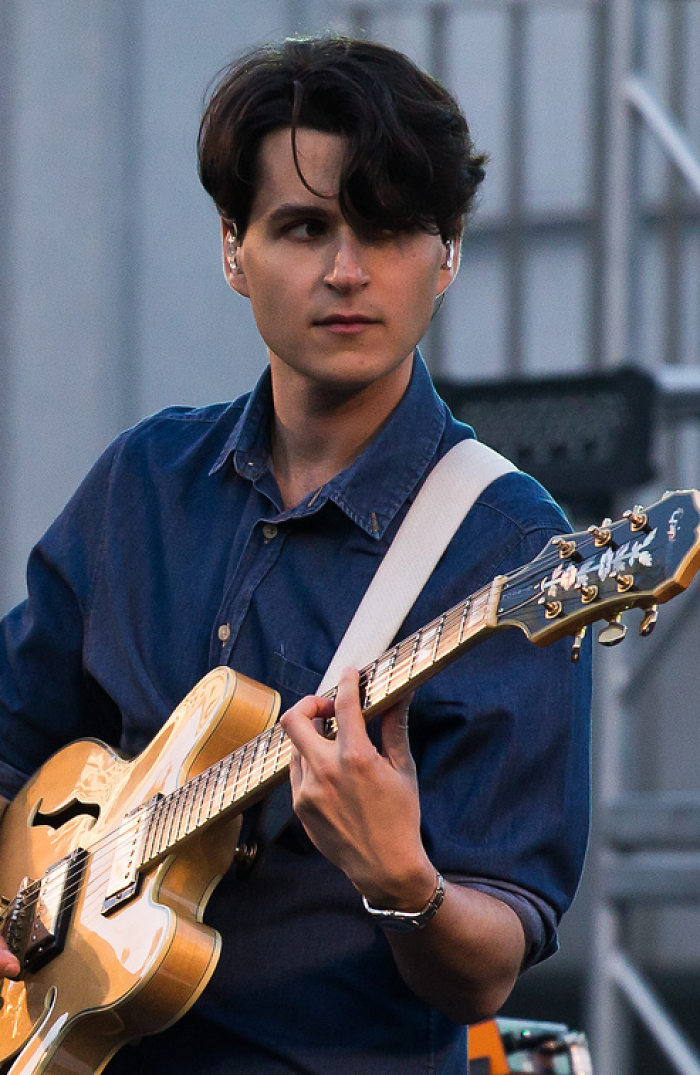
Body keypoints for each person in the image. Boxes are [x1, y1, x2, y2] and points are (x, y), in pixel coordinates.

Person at [0, 36, 591, 1074]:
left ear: (448, 252)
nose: (348, 270)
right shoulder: (142, 483)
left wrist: (402, 880)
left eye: (393, 227)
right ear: (233, 248)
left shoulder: (511, 546)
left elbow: (491, 961)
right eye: (304, 226)